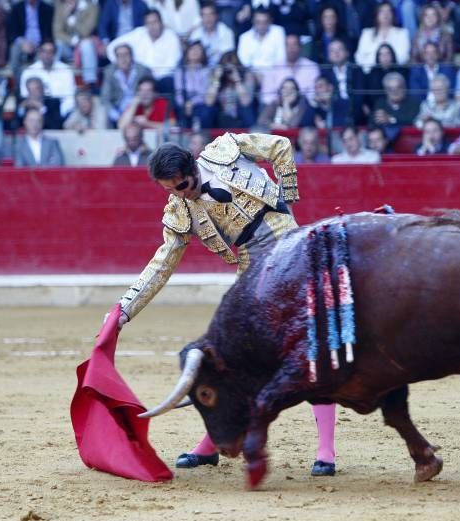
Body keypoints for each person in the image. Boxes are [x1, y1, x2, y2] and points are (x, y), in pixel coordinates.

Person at [112, 133, 339, 477]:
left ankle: (326, 451)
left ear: (192, 167)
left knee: (309, 345)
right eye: (171, 190)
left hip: (286, 242)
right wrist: (124, 309)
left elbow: (280, 147)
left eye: (183, 185)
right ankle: (212, 445)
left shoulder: (224, 151)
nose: (180, 194)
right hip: (250, 262)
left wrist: (288, 198)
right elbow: (161, 264)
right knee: (230, 357)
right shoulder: (180, 209)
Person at [107, 9, 183, 94]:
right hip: (137, 78)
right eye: (149, 23)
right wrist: (121, 64)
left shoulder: (172, 37)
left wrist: (150, 79)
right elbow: (111, 47)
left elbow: (171, 66)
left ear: (161, 22)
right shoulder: (139, 33)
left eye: (155, 22)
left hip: (160, 80)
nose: (152, 26)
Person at [258, 34, 320, 106]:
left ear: (300, 47)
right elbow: (266, 95)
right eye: (288, 45)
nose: (291, 48)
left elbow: (314, 94)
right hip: (278, 107)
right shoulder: (274, 67)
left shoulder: (311, 67)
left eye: (294, 45)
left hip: (304, 108)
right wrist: (279, 102)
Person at [200, 51, 258, 128]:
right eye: (226, 68)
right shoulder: (215, 77)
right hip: (220, 116)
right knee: (206, 110)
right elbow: (208, 102)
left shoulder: (247, 76)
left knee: (246, 110)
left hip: (239, 116)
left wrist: (237, 80)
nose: (228, 72)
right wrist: (217, 79)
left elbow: (246, 102)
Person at [19, 40, 78, 117]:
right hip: (36, 112)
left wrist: (60, 113)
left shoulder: (66, 70)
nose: (46, 55)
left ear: (55, 54)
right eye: (44, 51)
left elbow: (70, 97)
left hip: (61, 111)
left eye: (50, 52)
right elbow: (25, 96)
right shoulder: (29, 71)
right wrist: (41, 110)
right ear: (39, 53)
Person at [52, 0, 100, 88]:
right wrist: (72, 40)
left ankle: (90, 82)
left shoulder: (91, 8)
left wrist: (72, 17)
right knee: (58, 44)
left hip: (84, 44)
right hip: (68, 44)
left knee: (86, 45)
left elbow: (85, 31)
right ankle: (53, 77)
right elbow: (57, 32)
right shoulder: (61, 7)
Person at [101, 44, 153, 125]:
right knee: (106, 114)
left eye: (126, 54)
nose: (123, 59)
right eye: (119, 55)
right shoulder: (109, 72)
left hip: (138, 108)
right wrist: (117, 116)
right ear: (116, 58)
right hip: (118, 110)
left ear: (132, 56)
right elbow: (105, 98)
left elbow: (150, 92)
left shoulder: (143, 71)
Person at [354, 1, 410, 73]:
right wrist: (380, 61)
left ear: (393, 15)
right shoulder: (367, 33)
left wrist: (372, 57)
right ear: (377, 15)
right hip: (372, 73)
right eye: (382, 11)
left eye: (388, 11)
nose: (385, 15)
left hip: (395, 73)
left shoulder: (402, 33)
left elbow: (404, 57)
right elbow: (359, 57)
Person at [7, 0, 54, 84]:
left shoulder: (47, 8)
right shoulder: (17, 8)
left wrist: (39, 44)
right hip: (22, 42)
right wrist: (23, 42)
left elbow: (49, 32)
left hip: (40, 43)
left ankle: (40, 85)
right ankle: (19, 84)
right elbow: (12, 32)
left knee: (44, 54)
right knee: (14, 50)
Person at [173, 40, 211, 129]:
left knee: (206, 111)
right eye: (192, 49)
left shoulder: (206, 72)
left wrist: (191, 103)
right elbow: (178, 92)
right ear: (187, 52)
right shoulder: (180, 71)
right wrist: (184, 104)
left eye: (198, 50)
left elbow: (203, 93)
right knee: (178, 109)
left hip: (199, 104)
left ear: (203, 54)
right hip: (183, 104)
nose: (195, 52)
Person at [236, 8, 286, 72]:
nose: (261, 25)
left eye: (265, 22)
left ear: (270, 21)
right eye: (258, 22)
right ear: (253, 21)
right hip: (253, 73)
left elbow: (281, 58)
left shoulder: (279, 32)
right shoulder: (244, 37)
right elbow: (244, 62)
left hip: (274, 72)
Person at [188, 2, 235, 66]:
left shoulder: (226, 32)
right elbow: (192, 56)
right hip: (201, 69)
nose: (208, 18)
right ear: (201, 18)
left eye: (210, 14)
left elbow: (227, 56)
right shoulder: (196, 33)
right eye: (204, 15)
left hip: (220, 68)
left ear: (216, 16)